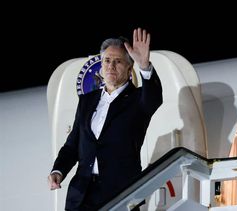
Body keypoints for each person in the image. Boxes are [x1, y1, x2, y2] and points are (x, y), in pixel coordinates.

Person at [48, 28, 163, 210]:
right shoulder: (87, 100)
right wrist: (58, 170)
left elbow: (154, 98)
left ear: (129, 67)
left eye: (118, 62)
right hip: (82, 195)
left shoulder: (138, 100)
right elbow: (73, 144)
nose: (110, 66)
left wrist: (145, 66)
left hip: (120, 194)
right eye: (107, 60)